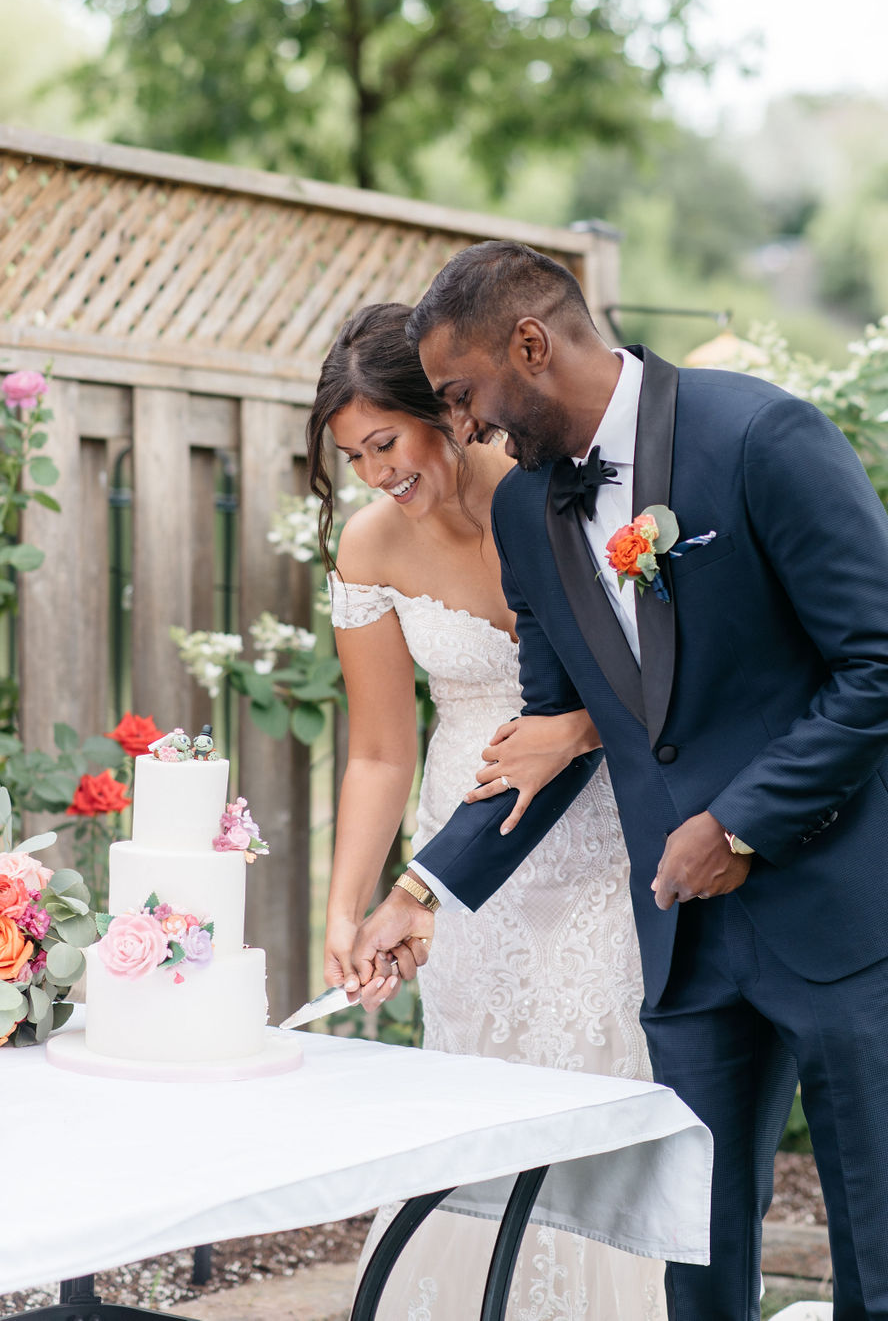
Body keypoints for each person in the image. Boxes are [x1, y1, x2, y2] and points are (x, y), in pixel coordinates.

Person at [351, 242, 888, 1321]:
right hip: (685, 935)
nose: (467, 426)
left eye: (463, 393)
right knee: (691, 1249)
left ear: (531, 345)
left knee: (881, 1254)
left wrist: (739, 825)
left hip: (846, 903)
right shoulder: (524, 515)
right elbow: (546, 734)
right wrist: (419, 892)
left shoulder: (761, 435)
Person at [306, 302, 669, 1320]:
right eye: (353, 456)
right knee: (474, 1085)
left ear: (444, 413)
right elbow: (377, 751)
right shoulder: (369, 549)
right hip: (462, 851)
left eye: (386, 442)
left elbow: (644, 669)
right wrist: (350, 908)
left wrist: (584, 732)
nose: (377, 472)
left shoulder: (560, 500)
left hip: (603, 834)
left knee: (593, 1062)